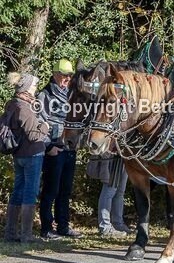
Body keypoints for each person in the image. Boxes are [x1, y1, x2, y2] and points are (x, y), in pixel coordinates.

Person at [36, 59, 80, 239]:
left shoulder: (72, 94)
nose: (67, 78)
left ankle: (63, 226)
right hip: (54, 149)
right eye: (64, 75)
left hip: (70, 149)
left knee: (65, 191)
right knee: (50, 190)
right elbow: (38, 123)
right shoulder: (45, 94)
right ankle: (46, 228)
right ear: (55, 74)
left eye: (70, 75)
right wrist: (48, 147)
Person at [3, 73, 49, 243]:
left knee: (18, 191)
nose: (36, 88)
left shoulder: (12, 104)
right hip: (32, 154)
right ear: (27, 88)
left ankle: (10, 233)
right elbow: (34, 135)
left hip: (19, 155)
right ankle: (26, 235)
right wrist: (45, 127)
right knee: (30, 192)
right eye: (34, 85)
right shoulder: (24, 107)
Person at [88, 156, 131, 237]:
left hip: (125, 158)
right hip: (114, 157)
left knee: (120, 193)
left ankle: (118, 224)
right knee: (109, 192)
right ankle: (105, 227)